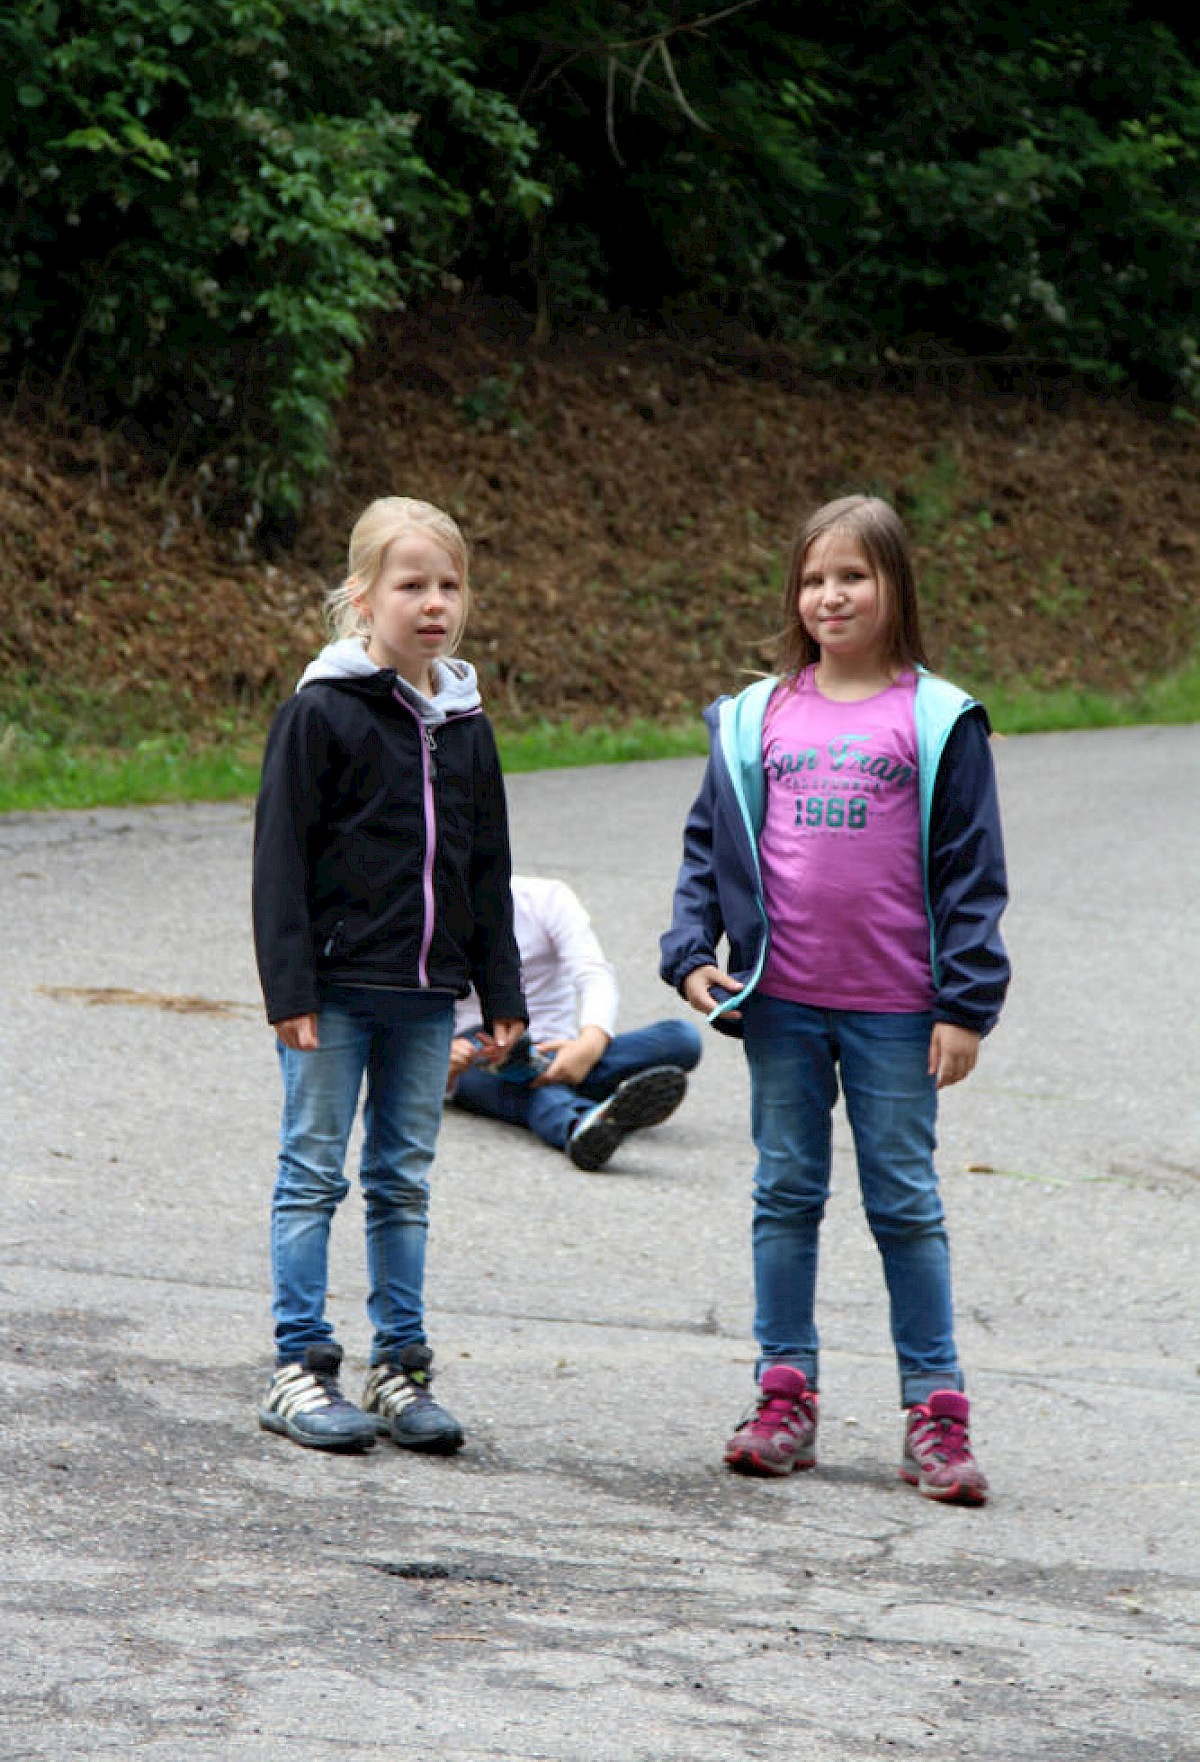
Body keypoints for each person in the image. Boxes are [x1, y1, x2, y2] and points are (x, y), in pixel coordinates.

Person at [660, 494, 1009, 1505]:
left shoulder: (937, 719)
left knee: (904, 1200)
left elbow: (973, 870)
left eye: (853, 575)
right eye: (814, 578)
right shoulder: (757, 715)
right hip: (781, 1003)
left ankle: (936, 1410)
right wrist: (691, 951)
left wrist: (965, 1003)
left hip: (901, 1009)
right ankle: (785, 1394)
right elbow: (708, 846)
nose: (831, 595)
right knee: (785, 1192)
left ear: (895, 585)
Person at [252, 496, 526, 1457]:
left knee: (402, 1181)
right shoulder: (319, 712)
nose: (435, 602)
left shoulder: (468, 726)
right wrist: (288, 988)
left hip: (425, 998)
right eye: (412, 584)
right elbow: (279, 858)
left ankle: (399, 1367)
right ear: (363, 598)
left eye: (450, 584)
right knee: (311, 1175)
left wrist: (501, 992)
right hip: (332, 994)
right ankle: (299, 1365)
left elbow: (488, 867)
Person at [448, 875, 702, 1170]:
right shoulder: (428, 918)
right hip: (478, 1051)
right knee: (528, 1082)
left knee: (682, 1038)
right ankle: (579, 1123)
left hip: (560, 1048)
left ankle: (581, 1098)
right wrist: (440, 1057)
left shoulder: (544, 899)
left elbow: (593, 973)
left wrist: (589, 1044)